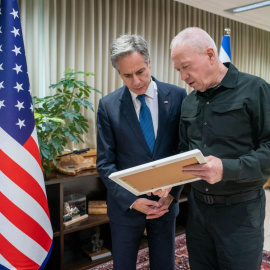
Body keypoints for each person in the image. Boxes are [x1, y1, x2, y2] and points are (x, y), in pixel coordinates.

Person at [170, 27, 270, 270]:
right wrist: (168, 185)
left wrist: (228, 169)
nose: (183, 76)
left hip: (241, 212)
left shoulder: (255, 89)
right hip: (198, 211)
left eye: (187, 66)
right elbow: (184, 152)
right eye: (179, 70)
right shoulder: (189, 102)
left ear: (211, 55)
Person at [96, 34, 187, 270]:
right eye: (127, 75)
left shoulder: (177, 97)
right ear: (119, 74)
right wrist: (133, 201)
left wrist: (172, 194)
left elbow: (183, 149)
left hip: (165, 204)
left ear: (149, 62)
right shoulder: (108, 106)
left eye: (140, 71)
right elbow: (105, 163)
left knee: (164, 264)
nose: (136, 81)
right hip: (126, 207)